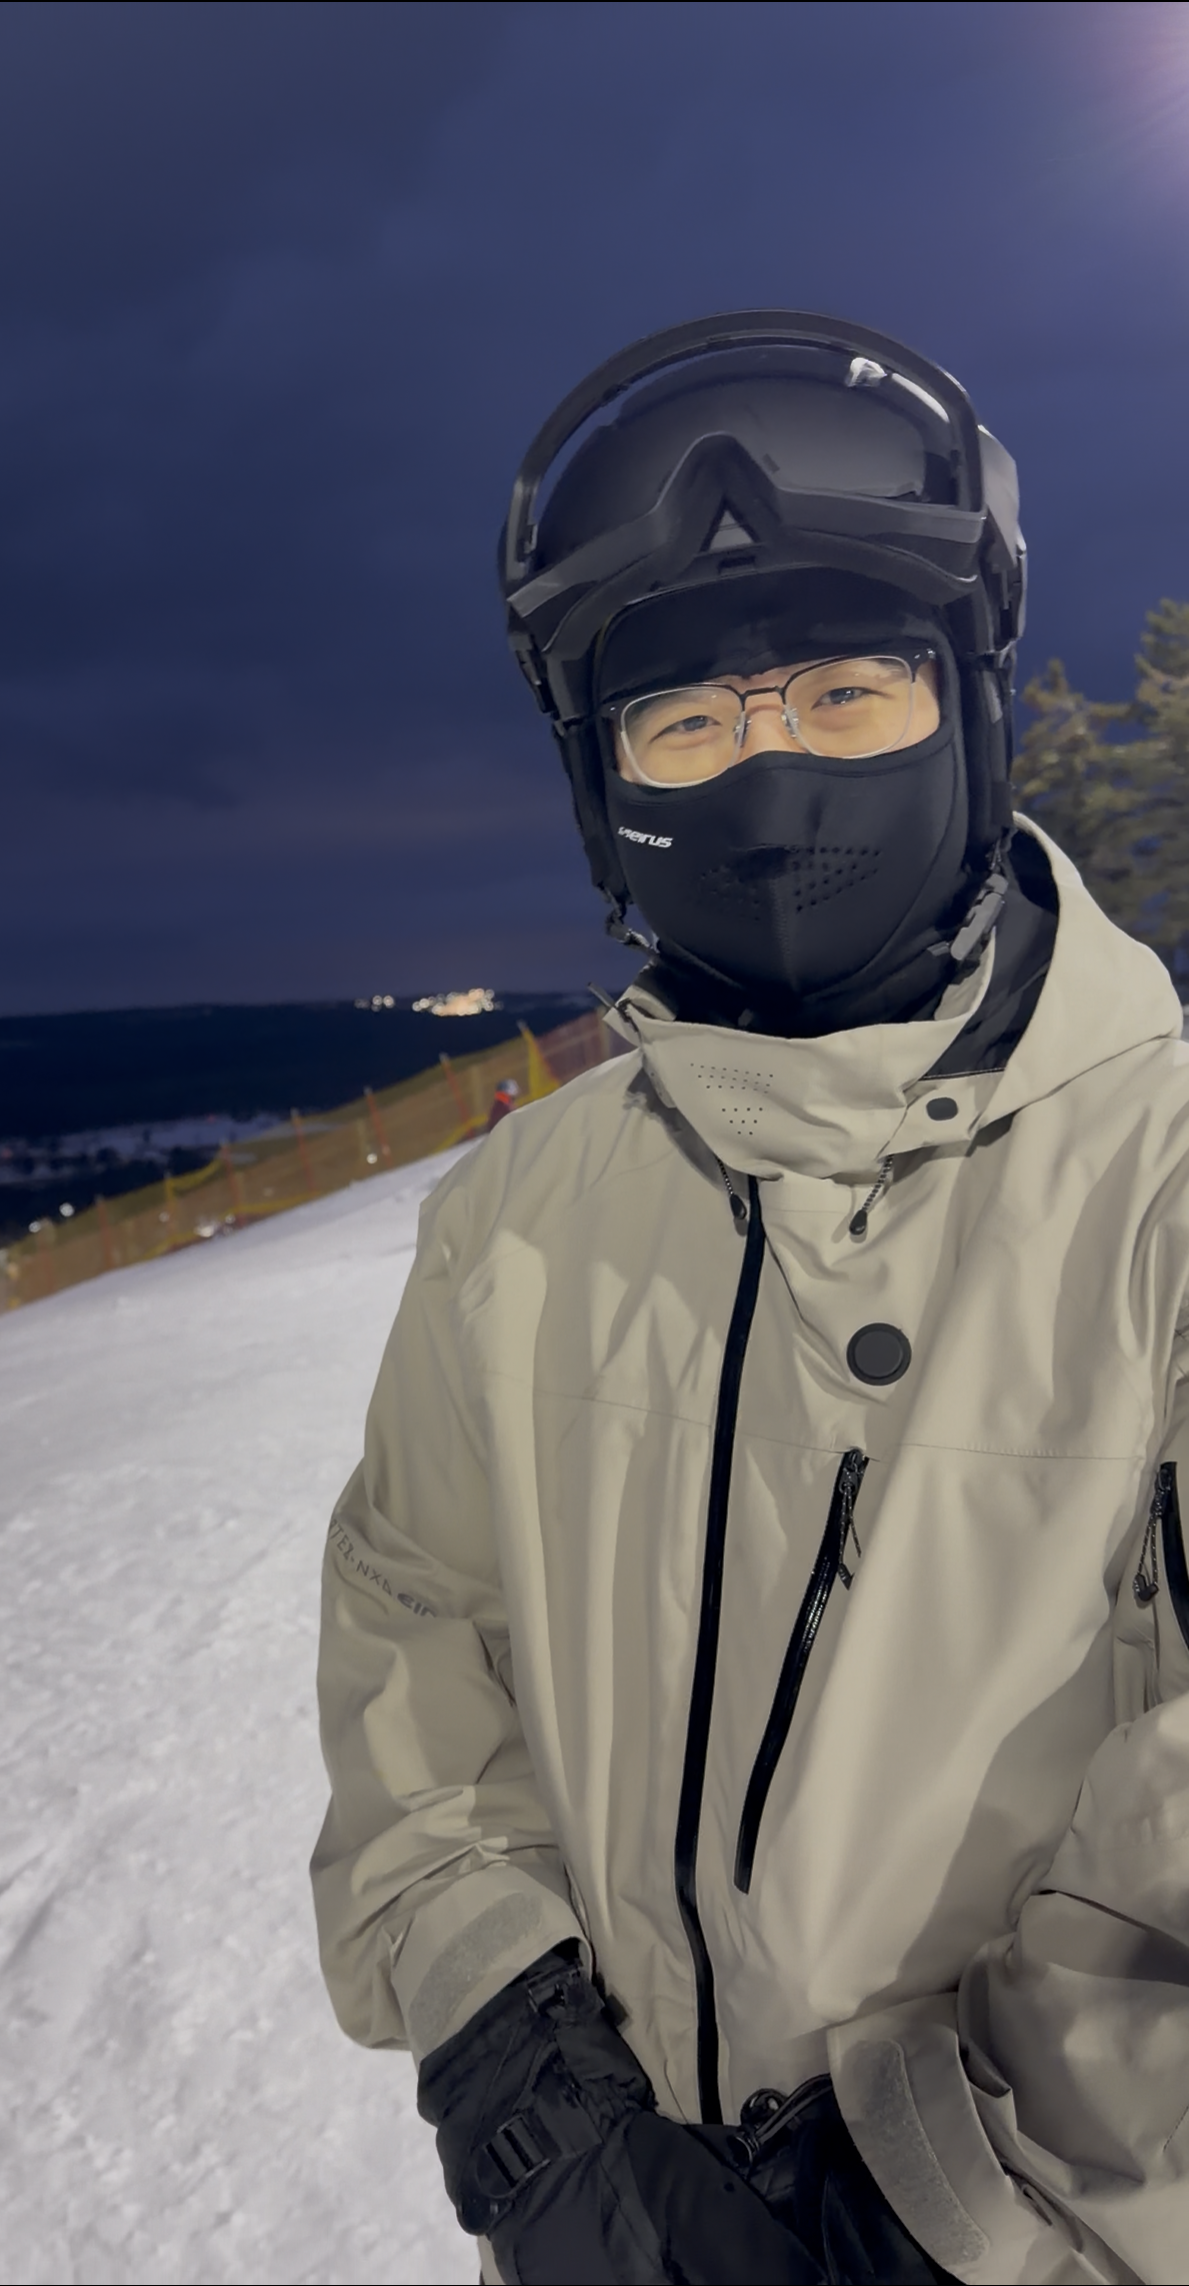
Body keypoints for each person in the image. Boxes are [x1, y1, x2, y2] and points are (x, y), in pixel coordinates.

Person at [311, 314, 1189, 2284]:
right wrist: (525, 2087)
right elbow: (416, 1635)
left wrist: (916, 2220)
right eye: (688, 726)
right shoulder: (519, 1215)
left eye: (844, 693)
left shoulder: (1163, 1186)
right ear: (597, 782)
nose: (767, 768)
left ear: (967, 704)